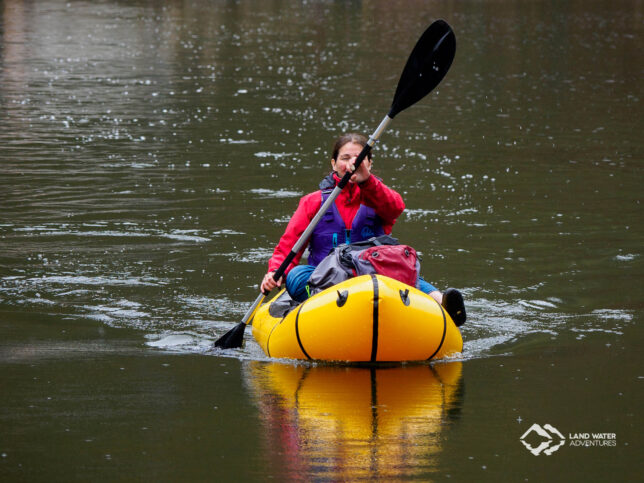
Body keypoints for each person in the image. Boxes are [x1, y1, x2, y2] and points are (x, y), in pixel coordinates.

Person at [260, 133, 466, 325]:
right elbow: (289, 246)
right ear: (334, 163)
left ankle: (443, 304)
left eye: (359, 158)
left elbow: (396, 208)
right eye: (345, 157)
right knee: (296, 276)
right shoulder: (313, 202)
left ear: (369, 163)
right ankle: (315, 307)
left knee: (407, 271)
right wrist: (275, 273)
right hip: (325, 279)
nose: (352, 162)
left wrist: (367, 181)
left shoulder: (378, 197)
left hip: (374, 276)